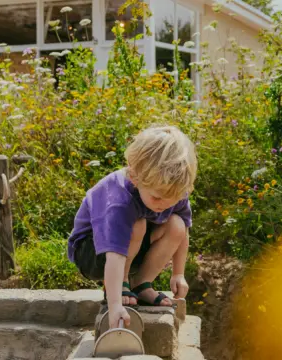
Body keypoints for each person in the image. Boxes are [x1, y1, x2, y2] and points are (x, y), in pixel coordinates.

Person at [67, 125, 195, 328]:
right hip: (92, 252)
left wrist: (178, 273)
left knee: (177, 225)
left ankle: (141, 283)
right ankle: (120, 284)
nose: (164, 204)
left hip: (130, 248)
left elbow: (183, 231)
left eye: (172, 199)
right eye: (157, 197)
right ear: (136, 178)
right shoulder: (120, 200)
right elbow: (114, 254)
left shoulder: (172, 190)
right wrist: (115, 304)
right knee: (138, 223)